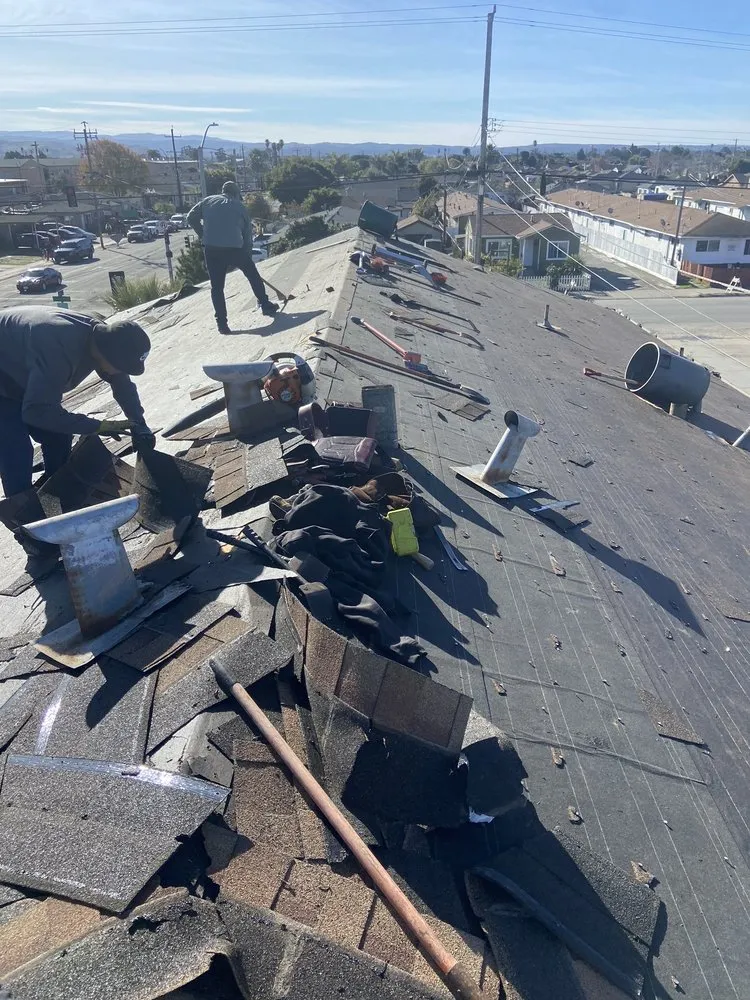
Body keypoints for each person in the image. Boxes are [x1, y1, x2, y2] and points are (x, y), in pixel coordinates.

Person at [0, 306, 156, 557]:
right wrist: (96, 426)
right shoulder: (58, 348)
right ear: (106, 354)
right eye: (119, 366)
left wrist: (139, 423)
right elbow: (36, 412)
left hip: (20, 366)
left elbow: (122, 383)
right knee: (15, 451)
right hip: (4, 376)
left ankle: (58, 501)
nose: (118, 372)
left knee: (58, 436)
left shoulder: (104, 336)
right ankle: (28, 532)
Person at [187, 180, 278, 334]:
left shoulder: (208, 201)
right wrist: (247, 257)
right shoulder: (239, 207)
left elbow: (191, 217)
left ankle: (222, 325)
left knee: (217, 287)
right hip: (234, 250)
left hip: (212, 250)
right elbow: (247, 236)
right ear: (236, 194)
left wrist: (203, 234)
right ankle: (265, 304)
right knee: (253, 275)